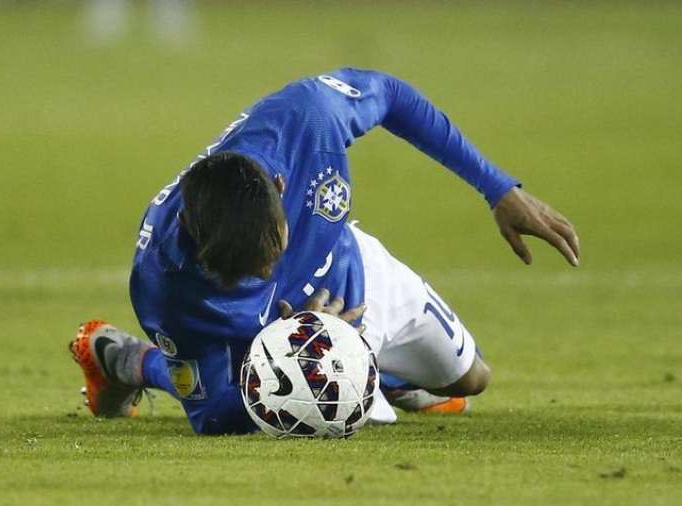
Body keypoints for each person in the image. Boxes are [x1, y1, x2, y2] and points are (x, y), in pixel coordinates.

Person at [69, 68, 579, 434]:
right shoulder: (164, 283)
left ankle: (386, 374)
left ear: (281, 185)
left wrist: (497, 189)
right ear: (197, 244)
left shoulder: (307, 123)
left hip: (352, 271)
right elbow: (213, 414)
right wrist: (293, 345)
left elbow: (393, 96)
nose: (269, 272)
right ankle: (127, 361)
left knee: (473, 380)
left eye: (274, 249)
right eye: (250, 271)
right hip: (256, 344)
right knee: (259, 411)